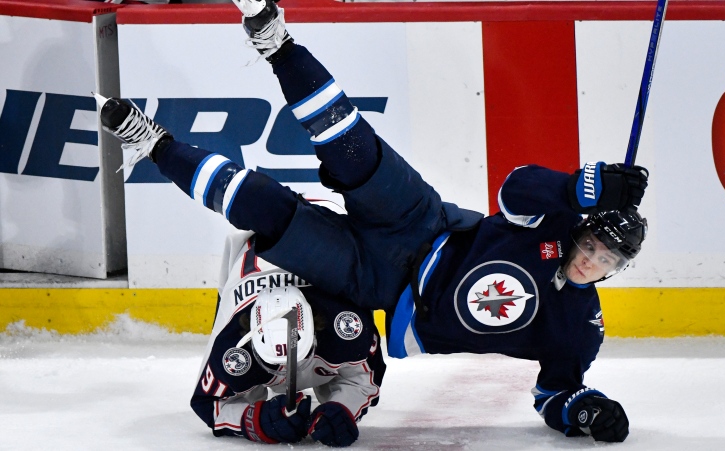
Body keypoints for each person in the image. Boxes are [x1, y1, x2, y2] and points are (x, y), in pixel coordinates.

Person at [96, 0, 648, 442]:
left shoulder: (579, 326)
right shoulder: (553, 222)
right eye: (594, 244)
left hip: (377, 282)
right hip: (422, 222)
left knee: (264, 210)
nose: (592, 261)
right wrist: (584, 186)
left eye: (608, 260)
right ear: (582, 230)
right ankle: (275, 40)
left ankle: (155, 145)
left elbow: (556, 393)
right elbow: (516, 186)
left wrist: (587, 410)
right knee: (349, 145)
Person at [189, 227, 385, 447]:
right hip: (254, 258)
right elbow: (207, 404)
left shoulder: (346, 325)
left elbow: (365, 380)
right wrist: (258, 421)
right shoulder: (231, 345)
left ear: (318, 331)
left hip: (325, 228)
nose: (289, 374)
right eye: (274, 365)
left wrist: (342, 409)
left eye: (299, 359)